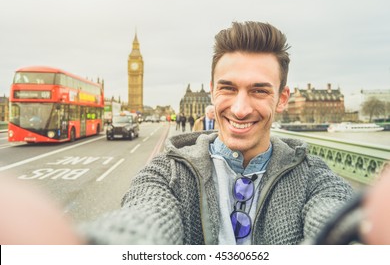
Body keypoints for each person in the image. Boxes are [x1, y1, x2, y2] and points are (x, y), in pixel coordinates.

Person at [0, 21, 358, 245]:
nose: (240, 107)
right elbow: (146, 218)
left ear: (282, 98)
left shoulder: (315, 178)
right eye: (228, 88)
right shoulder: (166, 174)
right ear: (212, 91)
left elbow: (332, 217)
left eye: (259, 90)